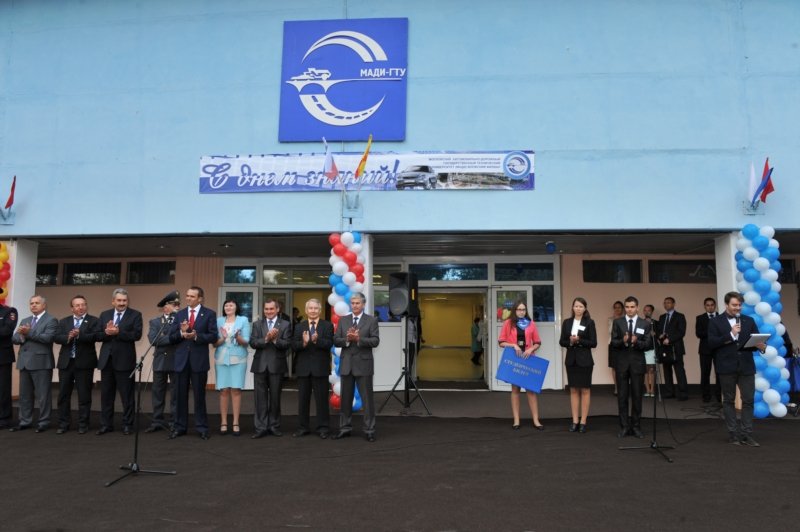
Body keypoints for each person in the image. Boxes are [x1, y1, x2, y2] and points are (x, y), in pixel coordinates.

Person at [707, 291, 765, 446]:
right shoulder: (715, 322)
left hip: (746, 366)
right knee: (728, 400)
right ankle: (733, 434)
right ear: (726, 304)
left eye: (740, 305)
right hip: (726, 367)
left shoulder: (749, 320)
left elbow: (756, 340)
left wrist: (761, 346)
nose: (738, 308)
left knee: (748, 400)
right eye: (734, 305)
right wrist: (731, 335)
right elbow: (711, 343)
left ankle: (747, 434)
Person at [168, 286, 218, 440]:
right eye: (187, 295)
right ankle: (179, 427)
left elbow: (213, 336)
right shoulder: (179, 314)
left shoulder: (209, 314)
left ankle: (202, 428)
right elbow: (171, 337)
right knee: (180, 396)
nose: (188, 298)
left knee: (199, 396)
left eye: (192, 296)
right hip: (181, 361)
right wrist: (182, 333)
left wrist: (196, 336)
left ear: (200, 298)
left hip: (199, 361)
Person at [333, 292, 380, 442]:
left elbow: (375, 341)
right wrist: (347, 339)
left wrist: (359, 339)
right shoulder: (343, 320)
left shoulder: (371, 320)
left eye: (357, 303)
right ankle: (345, 429)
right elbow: (336, 340)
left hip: (364, 365)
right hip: (347, 365)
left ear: (363, 304)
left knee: (367, 400)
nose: (355, 305)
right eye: (352, 303)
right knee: (345, 400)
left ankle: (369, 430)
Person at [97, 288, 143, 435]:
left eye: (124, 300)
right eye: (119, 300)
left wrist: (118, 332)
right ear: (113, 301)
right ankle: (106, 425)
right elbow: (98, 335)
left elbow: (137, 335)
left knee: (127, 396)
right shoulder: (104, 315)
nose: (122, 303)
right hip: (107, 361)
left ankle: (128, 425)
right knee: (106, 395)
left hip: (125, 361)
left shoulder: (135, 315)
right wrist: (106, 332)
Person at [53, 295, 102, 434]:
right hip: (66, 363)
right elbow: (56, 337)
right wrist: (68, 337)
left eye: (83, 304)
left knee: (84, 395)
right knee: (63, 395)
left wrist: (80, 334)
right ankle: (63, 424)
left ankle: (83, 424)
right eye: (77, 305)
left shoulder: (94, 320)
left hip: (85, 363)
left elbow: (98, 336)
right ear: (72, 308)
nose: (81, 307)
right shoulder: (64, 321)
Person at [10, 295, 58, 432]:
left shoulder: (51, 320)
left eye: (37, 303)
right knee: (24, 395)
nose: (34, 305)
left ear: (44, 305)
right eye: (31, 303)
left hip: (41, 362)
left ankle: (44, 422)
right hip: (24, 362)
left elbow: (48, 338)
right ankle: (25, 421)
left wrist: (28, 333)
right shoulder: (25, 320)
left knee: (43, 395)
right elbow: (15, 338)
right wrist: (22, 334)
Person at [610, 296, 653, 439]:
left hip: (637, 364)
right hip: (622, 364)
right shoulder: (618, 322)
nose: (629, 309)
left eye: (632, 307)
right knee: (622, 397)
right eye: (627, 307)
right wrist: (623, 340)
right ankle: (624, 427)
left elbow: (648, 344)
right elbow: (614, 342)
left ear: (637, 308)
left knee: (637, 397)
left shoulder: (645, 323)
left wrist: (636, 342)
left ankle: (636, 426)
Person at [498, 300, 544, 430]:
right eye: (519, 309)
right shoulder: (508, 323)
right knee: (515, 390)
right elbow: (501, 342)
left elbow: (537, 342)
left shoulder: (531, 323)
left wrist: (531, 349)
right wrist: (513, 345)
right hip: (515, 359)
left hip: (528, 359)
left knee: (531, 391)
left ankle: (536, 420)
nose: (521, 312)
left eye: (523, 309)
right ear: (514, 310)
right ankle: (516, 420)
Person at [291, 298, 333, 439]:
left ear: (320, 310)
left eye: (316, 308)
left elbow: (329, 344)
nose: (313, 311)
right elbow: (293, 346)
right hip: (303, 369)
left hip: (320, 368)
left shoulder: (327, 325)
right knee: (303, 400)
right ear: (306, 310)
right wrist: (303, 343)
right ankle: (303, 428)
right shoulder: (299, 326)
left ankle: (323, 428)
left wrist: (316, 341)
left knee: (322, 401)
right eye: (310, 308)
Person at [249, 298, 291, 438]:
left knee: (275, 398)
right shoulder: (257, 324)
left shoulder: (285, 324)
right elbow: (253, 343)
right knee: (259, 399)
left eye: (271, 308)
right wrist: (266, 339)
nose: (269, 311)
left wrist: (275, 340)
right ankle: (260, 427)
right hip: (260, 365)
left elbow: (287, 344)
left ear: (277, 309)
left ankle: (274, 426)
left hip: (277, 366)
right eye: (266, 309)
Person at [559, 297, 597, 433]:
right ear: (572, 307)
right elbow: (562, 341)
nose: (578, 308)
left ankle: (583, 422)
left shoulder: (589, 322)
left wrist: (579, 340)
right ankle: (575, 421)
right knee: (573, 390)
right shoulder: (567, 322)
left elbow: (593, 343)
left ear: (585, 308)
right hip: (571, 361)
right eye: (576, 306)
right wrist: (570, 341)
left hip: (585, 361)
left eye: (581, 306)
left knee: (585, 390)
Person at [214, 298, 250, 437]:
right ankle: (223, 422)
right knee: (223, 390)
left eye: (231, 305)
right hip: (221, 359)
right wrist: (223, 338)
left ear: (236, 307)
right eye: (226, 305)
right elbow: (214, 344)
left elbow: (246, 342)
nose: (228, 307)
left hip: (238, 359)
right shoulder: (218, 321)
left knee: (236, 390)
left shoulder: (243, 320)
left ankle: (235, 422)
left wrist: (237, 337)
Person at [145, 291, 180, 433]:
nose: (178, 307)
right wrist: (172, 338)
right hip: (160, 360)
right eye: (174, 304)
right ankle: (157, 421)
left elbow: (181, 337)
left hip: (176, 360)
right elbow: (153, 340)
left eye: (178, 304)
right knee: (158, 393)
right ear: (165, 307)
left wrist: (168, 337)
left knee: (175, 394)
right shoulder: (155, 322)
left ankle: (174, 421)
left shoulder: (180, 320)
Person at [656, 297, 688, 401]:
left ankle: (683, 393)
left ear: (674, 304)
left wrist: (670, 339)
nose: (666, 304)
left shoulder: (680, 316)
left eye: (668, 302)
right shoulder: (662, 317)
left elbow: (681, 332)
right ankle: (669, 392)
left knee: (679, 371)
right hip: (665, 348)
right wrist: (660, 336)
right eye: (665, 303)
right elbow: (659, 330)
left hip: (676, 348)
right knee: (667, 371)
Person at [695, 297, 720, 403]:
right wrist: (712, 331)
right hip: (705, 350)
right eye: (708, 305)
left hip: (719, 349)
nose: (710, 307)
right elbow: (698, 333)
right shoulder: (700, 318)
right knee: (705, 373)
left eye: (712, 305)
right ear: (705, 306)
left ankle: (719, 395)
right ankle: (706, 395)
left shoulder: (721, 316)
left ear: (715, 306)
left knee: (719, 373)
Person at [0, 301, 18, 429]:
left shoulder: (9, 311)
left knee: (3, 389)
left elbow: (6, 331)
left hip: (3, 357)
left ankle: (4, 418)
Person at [608, 301, 624, 395]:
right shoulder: (610, 319)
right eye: (615, 307)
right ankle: (616, 387)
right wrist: (616, 320)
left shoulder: (626, 319)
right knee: (614, 367)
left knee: (623, 366)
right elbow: (610, 331)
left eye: (619, 307)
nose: (617, 309)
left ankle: (624, 387)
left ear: (623, 309)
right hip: (613, 344)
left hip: (623, 345)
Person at [642, 304, 657, 398]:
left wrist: (655, 334)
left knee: (651, 370)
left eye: (649, 310)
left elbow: (659, 336)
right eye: (645, 310)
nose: (647, 312)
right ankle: (647, 390)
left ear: (652, 312)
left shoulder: (655, 323)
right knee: (645, 370)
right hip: (643, 349)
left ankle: (652, 390)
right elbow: (638, 335)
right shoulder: (640, 322)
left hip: (652, 349)